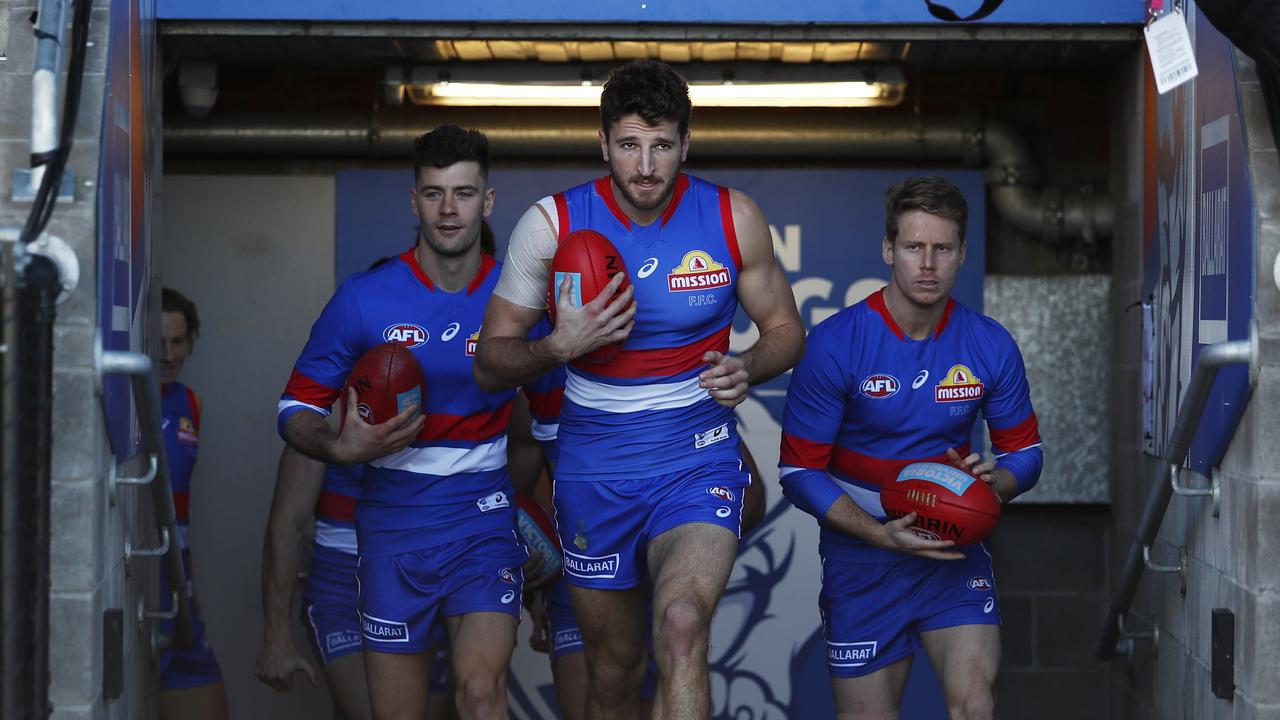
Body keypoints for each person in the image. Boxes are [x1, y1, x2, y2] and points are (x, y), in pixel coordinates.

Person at [473, 59, 804, 718]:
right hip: (594, 472)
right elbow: (490, 362)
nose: (646, 165)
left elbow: (785, 330)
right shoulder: (552, 224)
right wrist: (555, 348)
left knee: (681, 628)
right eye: (628, 145)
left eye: (660, 145)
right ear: (603, 144)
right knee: (615, 673)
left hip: (697, 456)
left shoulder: (732, 216)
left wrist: (750, 365)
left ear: (685, 143)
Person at [277, 125, 524, 720]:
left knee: (482, 694)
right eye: (434, 192)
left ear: (487, 203)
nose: (448, 209)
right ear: (413, 200)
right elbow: (294, 408)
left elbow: (550, 424)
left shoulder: (517, 297)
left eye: (464, 193)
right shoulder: (364, 299)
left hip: (482, 525)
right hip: (391, 531)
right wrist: (338, 447)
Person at [777, 176, 1043, 720]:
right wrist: (879, 533)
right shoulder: (835, 345)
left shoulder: (989, 344)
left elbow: (1026, 454)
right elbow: (797, 471)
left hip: (952, 550)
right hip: (862, 559)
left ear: (961, 253)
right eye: (914, 247)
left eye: (942, 249)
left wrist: (996, 483)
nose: (928, 263)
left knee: (976, 706)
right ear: (888, 249)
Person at [157, 287, 230, 720]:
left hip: (177, 590)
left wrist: (191, 587)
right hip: (133, 590)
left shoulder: (191, 404)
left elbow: (179, 513)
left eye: (177, 342)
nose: (168, 355)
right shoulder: (118, 396)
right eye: (157, 343)